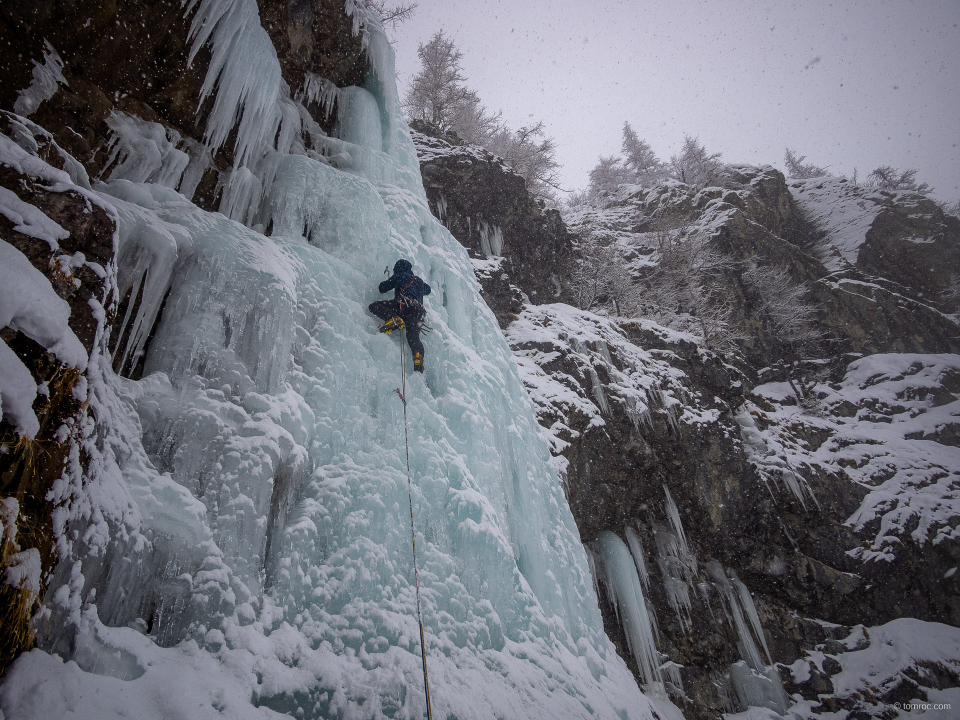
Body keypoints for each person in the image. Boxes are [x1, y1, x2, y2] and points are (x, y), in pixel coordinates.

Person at [369, 259, 431, 372]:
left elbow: (382, 288)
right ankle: (417, 358)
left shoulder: (400, 275)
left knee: (374, 306)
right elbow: (428, 290)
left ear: (398, 268)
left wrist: (392, 280)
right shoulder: (418, 281)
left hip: (403, 306)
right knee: (413, 338)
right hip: (417, 313)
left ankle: (393, 319)